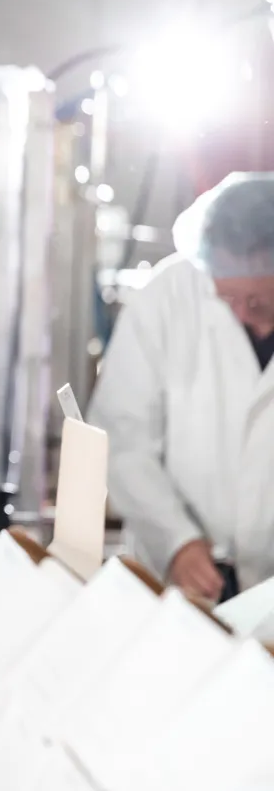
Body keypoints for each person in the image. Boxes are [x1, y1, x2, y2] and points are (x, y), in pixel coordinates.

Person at [90, 171, 274, 604]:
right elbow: (121, 438)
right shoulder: (167, 299)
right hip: (174, 586)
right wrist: (177, 540)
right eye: (230, 299)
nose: (246, 317)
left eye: (261, 302)